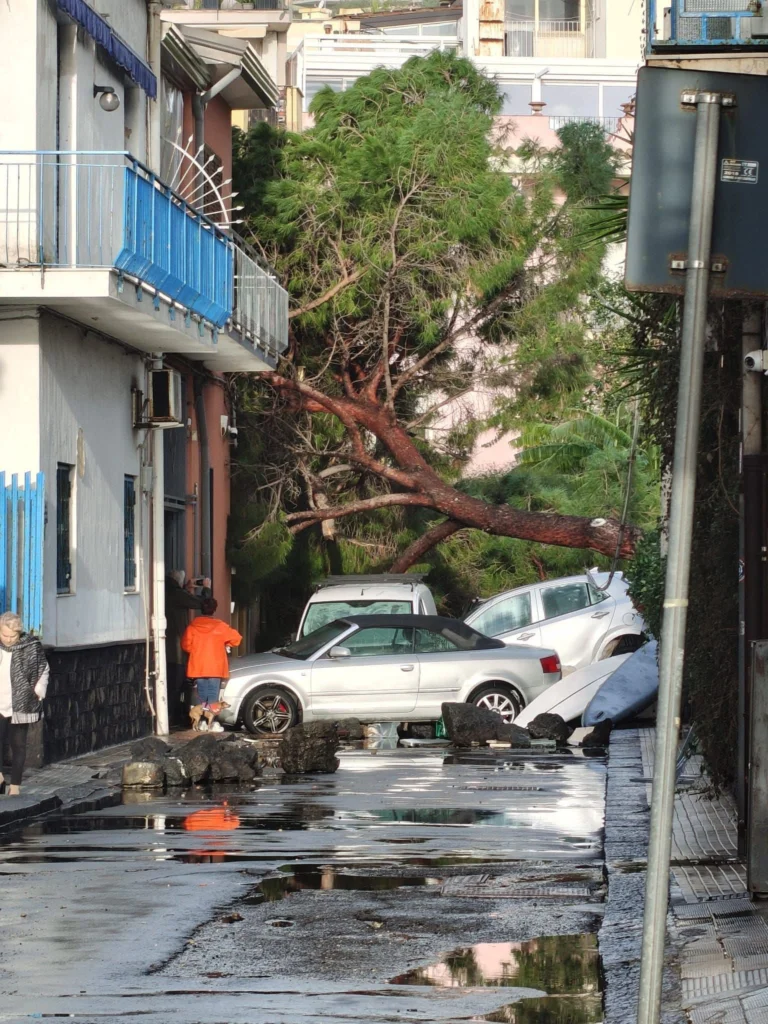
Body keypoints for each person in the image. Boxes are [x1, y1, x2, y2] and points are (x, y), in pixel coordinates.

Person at [0, 611, 49, 796]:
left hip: (21, 703)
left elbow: (43, 668)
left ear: (19, 633)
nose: (8, 640)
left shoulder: (31, 646)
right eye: (4, 635)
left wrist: (38, 691)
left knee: (18, 745)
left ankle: (15, 787)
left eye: (13, 636)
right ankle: (0, 777)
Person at [181, 598, 242, 730]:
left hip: (198, 666)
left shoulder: (192, 627)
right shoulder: (221, 626)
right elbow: (237, 639)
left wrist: (197, 650)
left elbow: (186, 645)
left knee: (202, 695)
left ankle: (202, 721)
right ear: (214, 609)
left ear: (201, 609)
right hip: (216, 665)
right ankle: (212, 723)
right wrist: (225, 643)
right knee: (213, 695)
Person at [165, 570, 210, 723]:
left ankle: (174, 715)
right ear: (177, 581)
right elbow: (203, 603)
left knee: (173, 684)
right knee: (177, 685)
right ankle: (175, 716)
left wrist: (185, 588)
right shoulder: (176, 593)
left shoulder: (166, 591)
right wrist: (206, 588)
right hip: (176, 649)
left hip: (167, 646)